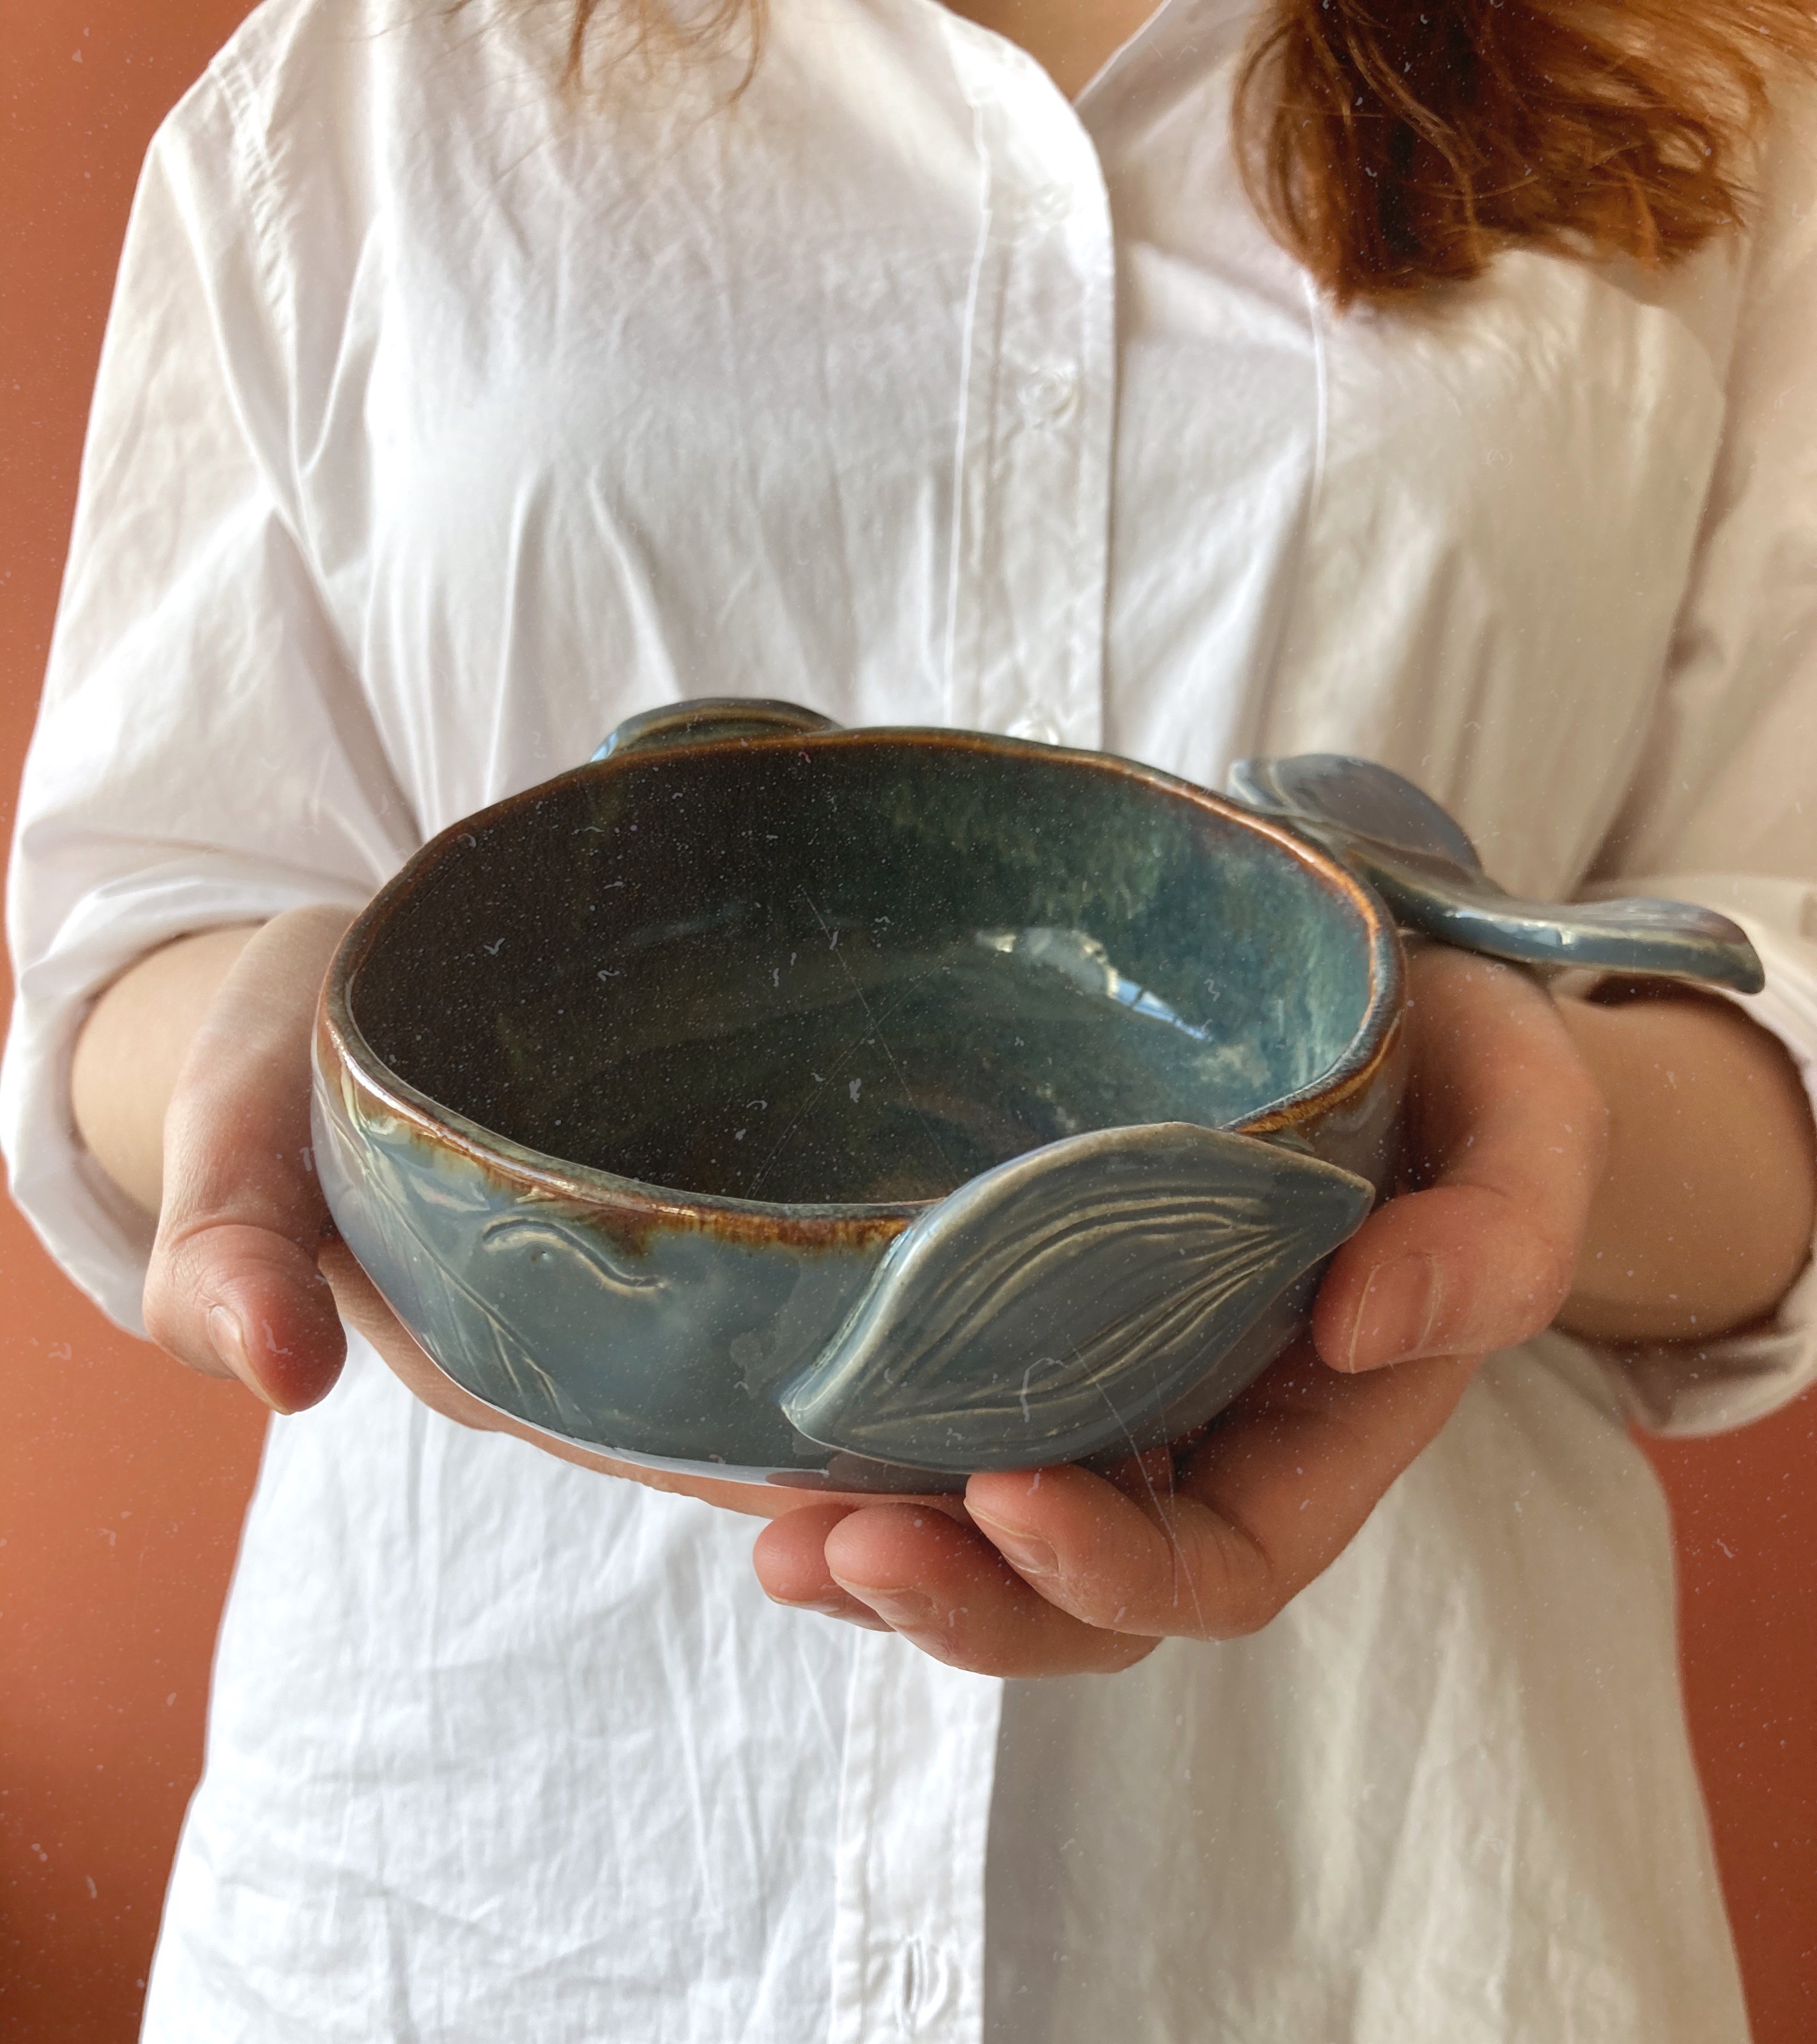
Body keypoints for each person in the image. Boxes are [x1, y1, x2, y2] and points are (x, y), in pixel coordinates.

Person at [6, 0, 1817, 2033]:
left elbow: (1788, 1004)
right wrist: (286, 1055)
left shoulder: (1712, 75)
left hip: (1381, 1897)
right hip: (496, 1879)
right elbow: (138, 922)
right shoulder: (365, 71)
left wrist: (1500, 1127)